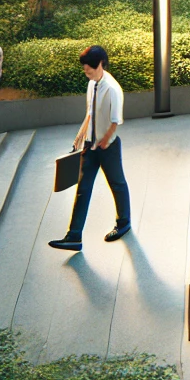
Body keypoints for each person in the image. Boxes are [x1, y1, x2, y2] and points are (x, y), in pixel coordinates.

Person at [49, 45, 132, 251]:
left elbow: (116, 121)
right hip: (90, 144)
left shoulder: (112, 89)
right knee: (82, 188)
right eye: (85, 70)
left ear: (101, 65)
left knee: (117, 184)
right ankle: (74, 236)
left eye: (90, 70)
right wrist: (80, 136)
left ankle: (124, 222)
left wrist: (104, 142)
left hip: (107, 146)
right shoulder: (92, 84)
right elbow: (90, 113)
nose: (87, 73)